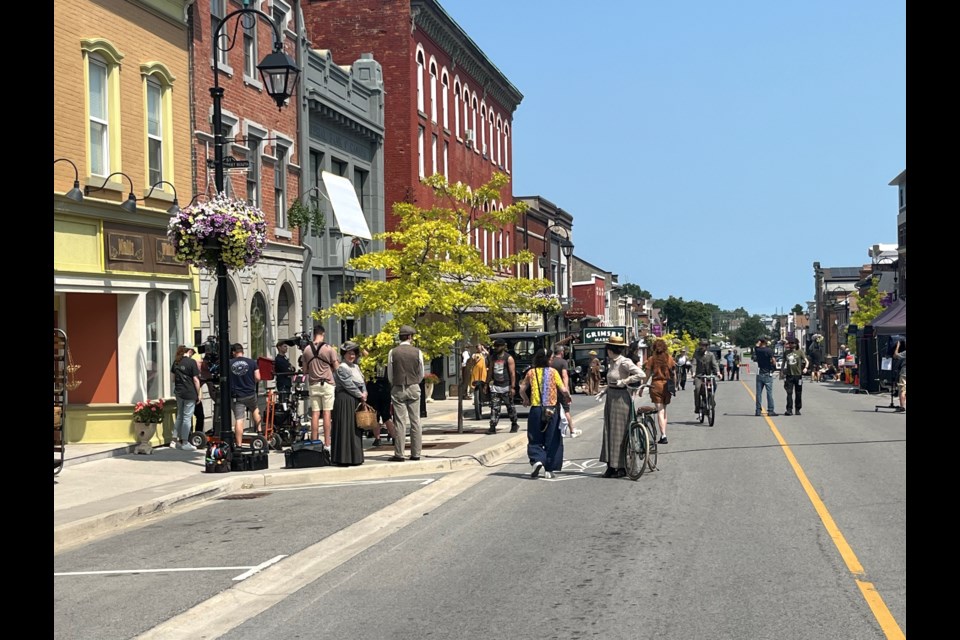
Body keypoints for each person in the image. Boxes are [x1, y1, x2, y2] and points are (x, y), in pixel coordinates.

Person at [519, 348, 571, 479]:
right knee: (552, 439)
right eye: (551, 358)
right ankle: (549, 469)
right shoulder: (553, 372)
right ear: (547, 359)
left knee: (534, 437)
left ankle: (537, 459)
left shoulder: (531, 372)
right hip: (552, 409)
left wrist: (525, 399)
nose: (552, 360)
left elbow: (522, 389)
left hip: (536, 409)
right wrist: (567, 397)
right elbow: (563, 389)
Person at [597, 336, 644, 478]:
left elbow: (640, 374)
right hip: (611, 396)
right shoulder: (612, 362)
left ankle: (621, 466)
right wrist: (604, 391)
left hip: (621, 398)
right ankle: (611, 464)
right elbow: (611, 379)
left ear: (611, 350)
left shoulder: (624, 362)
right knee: (609, 431)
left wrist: (625, 381)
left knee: (619, 432)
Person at [387, 324, 424, 461]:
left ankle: (399, 453)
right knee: (416, 421)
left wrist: (395, 383)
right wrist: (416, 382)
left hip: (398, 387)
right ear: (409, 337)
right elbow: (421, 371)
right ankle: (416, 453)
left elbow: (390, 373)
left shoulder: (393, 352)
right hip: (414, 386)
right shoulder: (417, 352)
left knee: (400, 422)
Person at [331, 341, 368, 466]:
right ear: (344, 354)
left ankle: (355, 457)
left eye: (353, 353)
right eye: (349, 353)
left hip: (355, 400)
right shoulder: (342, 368)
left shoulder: (356, 367)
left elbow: (362, 382)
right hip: (345, 400)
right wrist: (360, 394)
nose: (351, 356)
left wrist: (364, 392)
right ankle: (343, 458)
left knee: (355, 428)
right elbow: (348, 385)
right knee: (345, 428)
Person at [302, 324, 339, 447]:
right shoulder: (329, 349)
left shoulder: (306, 350)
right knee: (327, 413)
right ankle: (328, 442)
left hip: (313, 384)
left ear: (313, 334)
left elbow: (305, 371)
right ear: (323, 334)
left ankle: (314, 441)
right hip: (327, 383)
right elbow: (337, 368)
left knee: (315, 413)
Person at [228, 343, 262, 447]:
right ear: (242, 351)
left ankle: (239, 444)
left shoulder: (229, 363)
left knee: (239, 419)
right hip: (250, 393)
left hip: (237, 395)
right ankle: (260, 432)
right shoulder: (252, 362)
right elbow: (258, 377)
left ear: (233, 352)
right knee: (255, 409)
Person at [642, 338, 675, 444]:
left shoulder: (651, 359)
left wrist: (643, 386)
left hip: (656, 385)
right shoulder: (669, 358)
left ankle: (663, 435)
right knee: (664, 410)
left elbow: (647, 374)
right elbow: (673, 372)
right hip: (666, 385)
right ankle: (663, 434)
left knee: (659, 411)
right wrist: (674, 386)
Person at [171, 345, 201, 451]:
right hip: (189, 392)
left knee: (180, 415)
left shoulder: (176, 362)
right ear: (189, 351)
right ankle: (185, 442)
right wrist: (198, 394)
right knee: (187, 417)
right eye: (193, 352)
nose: (193, 354)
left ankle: (174, 440)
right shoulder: (191, 362)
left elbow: (173, 379)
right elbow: (196, 380)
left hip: (179, 392)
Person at [486, 338, 519, 434]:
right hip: (496, 386)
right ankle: (492, 426)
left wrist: (512, 387)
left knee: (510, 407)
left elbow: (512, 373)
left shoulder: (508, 358)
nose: (496, 348)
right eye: (495, 346)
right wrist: (486, 383)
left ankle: (514, 424)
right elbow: (490, 371)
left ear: (503, 347)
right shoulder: (493, 358)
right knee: (494, 408)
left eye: (498, 346)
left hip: (506, 386)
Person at [550, 344, 579, 438]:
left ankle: (554, 430)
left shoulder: (550, 362)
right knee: (566, 410)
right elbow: (564, 376)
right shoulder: (563, 362)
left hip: (551, 389)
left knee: (552, 409)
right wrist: (566, 390)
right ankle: (572, 430)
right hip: (560, 389)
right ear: (561, 352)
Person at [366, 367, 395, 446]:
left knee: (375, 415)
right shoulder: (385, 360)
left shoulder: (369, 362)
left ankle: (377, 439)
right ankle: (394, 437)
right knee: (386, 415)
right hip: (385, 388)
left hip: (373, 388)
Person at [780, 338, 809, 416]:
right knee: (789, 392)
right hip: (789, 375)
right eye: (789, 343)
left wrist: (806, 368)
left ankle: (798, 408)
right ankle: (789, 409)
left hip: (798, 375)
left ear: (796, 344)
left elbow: (806, 361)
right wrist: (782, 371)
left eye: (792, 343)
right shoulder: (786, 352)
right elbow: (783, 362)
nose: (790, 344)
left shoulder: (800, 352)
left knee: (798, 392)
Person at [693, 339, 720, 416]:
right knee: (697, 389)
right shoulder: (696, 354)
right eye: (701, 345)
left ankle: (710, 399)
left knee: (714, 385)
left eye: (704, 345)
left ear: (707, 346)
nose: (703, 347)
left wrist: (718, 373)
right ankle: (697, 406)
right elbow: (694, 364)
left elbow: (715, 364)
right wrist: (693, 372)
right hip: (699, 376)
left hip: (708, 375)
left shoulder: (711, 355)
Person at [753, 338, 778, 416]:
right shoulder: (769, 350)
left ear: (761, 342)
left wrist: (758, 343)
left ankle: (758, 410)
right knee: (769, 393)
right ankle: (770, 410)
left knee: (758, 393)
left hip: (760, 373)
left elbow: (756, 346)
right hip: (767, 373)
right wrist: (774, 366)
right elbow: (774, 360)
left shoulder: (758, 350)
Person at [893, 339, 906, 412]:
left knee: (902, 390)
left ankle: (902, 407)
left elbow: (895, 355)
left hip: (904, 372)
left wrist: (897, 346)